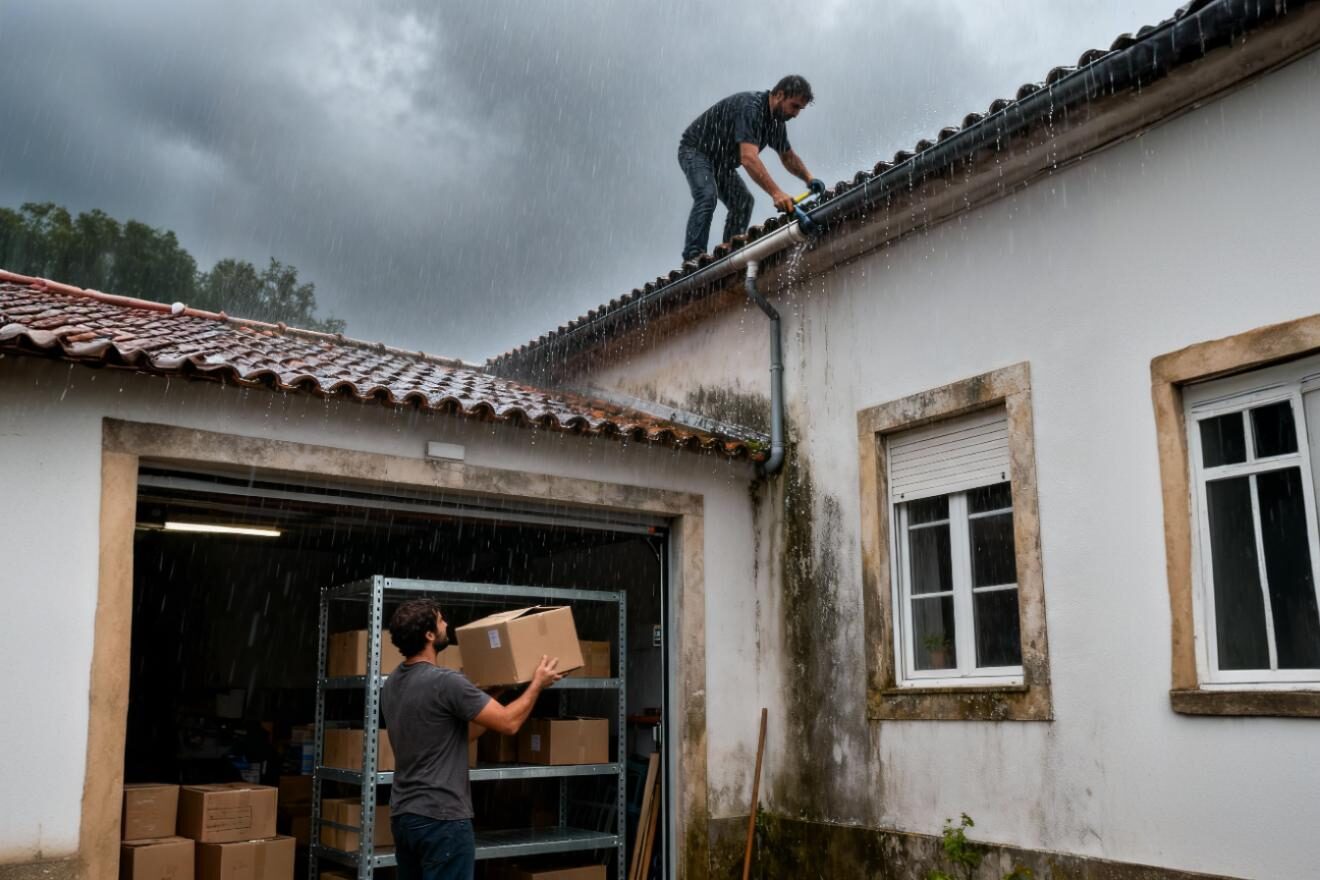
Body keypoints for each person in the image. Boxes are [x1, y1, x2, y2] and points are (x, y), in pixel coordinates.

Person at [379, 598, 564, 880]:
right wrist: (537, 684)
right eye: (441, 621)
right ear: (429, 635)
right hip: (442, 818)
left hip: (406, 817)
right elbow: (510, 723)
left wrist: (496, 694)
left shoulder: (393, 683)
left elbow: (459, 735)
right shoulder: (445, 681)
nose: (447, 625)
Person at [678, 74, 826, 262]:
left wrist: (809, 178)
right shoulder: (751, 109)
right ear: (779, 95)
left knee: (743, 202)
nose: (796, 114)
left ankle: (730, 251)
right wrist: (777, 193)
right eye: (795, 106)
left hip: (721, 163)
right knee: (707, 195)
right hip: (695, 151)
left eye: (800, 109)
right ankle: (693, 257)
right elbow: (748, 158)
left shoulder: (775, 123)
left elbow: (788, 157)